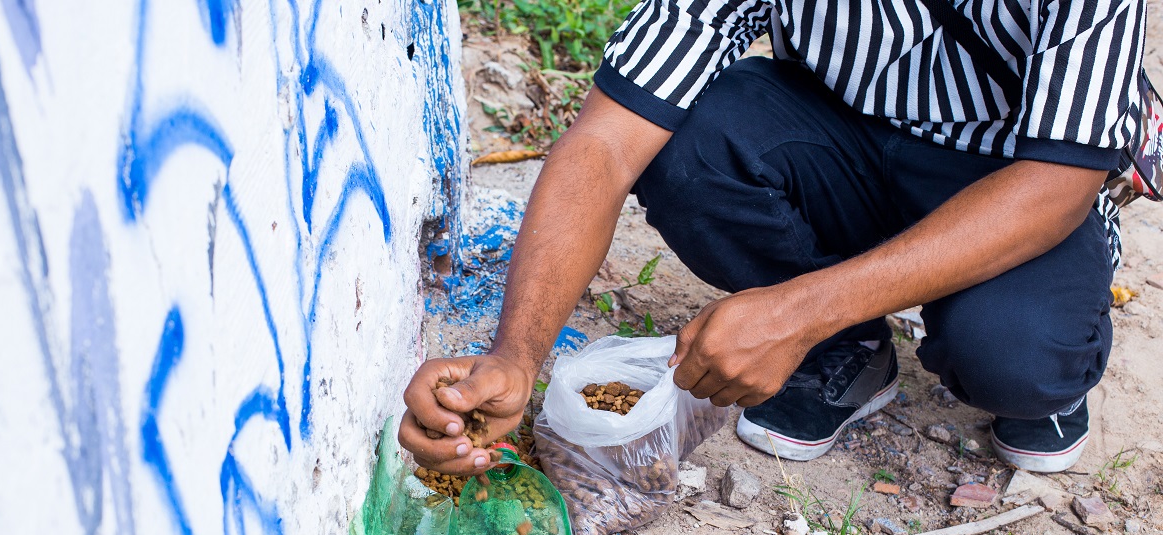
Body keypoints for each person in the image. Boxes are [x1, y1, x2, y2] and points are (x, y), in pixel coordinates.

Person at [401, 0, 1148, 476]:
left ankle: (1047, 364)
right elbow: (606, 141)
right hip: (837, 141)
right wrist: (516, 354)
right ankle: (848, 347)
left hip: (1010, 175)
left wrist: (794, 310)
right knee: (691, 141)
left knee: (1012, 357)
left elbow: (1056, 184)